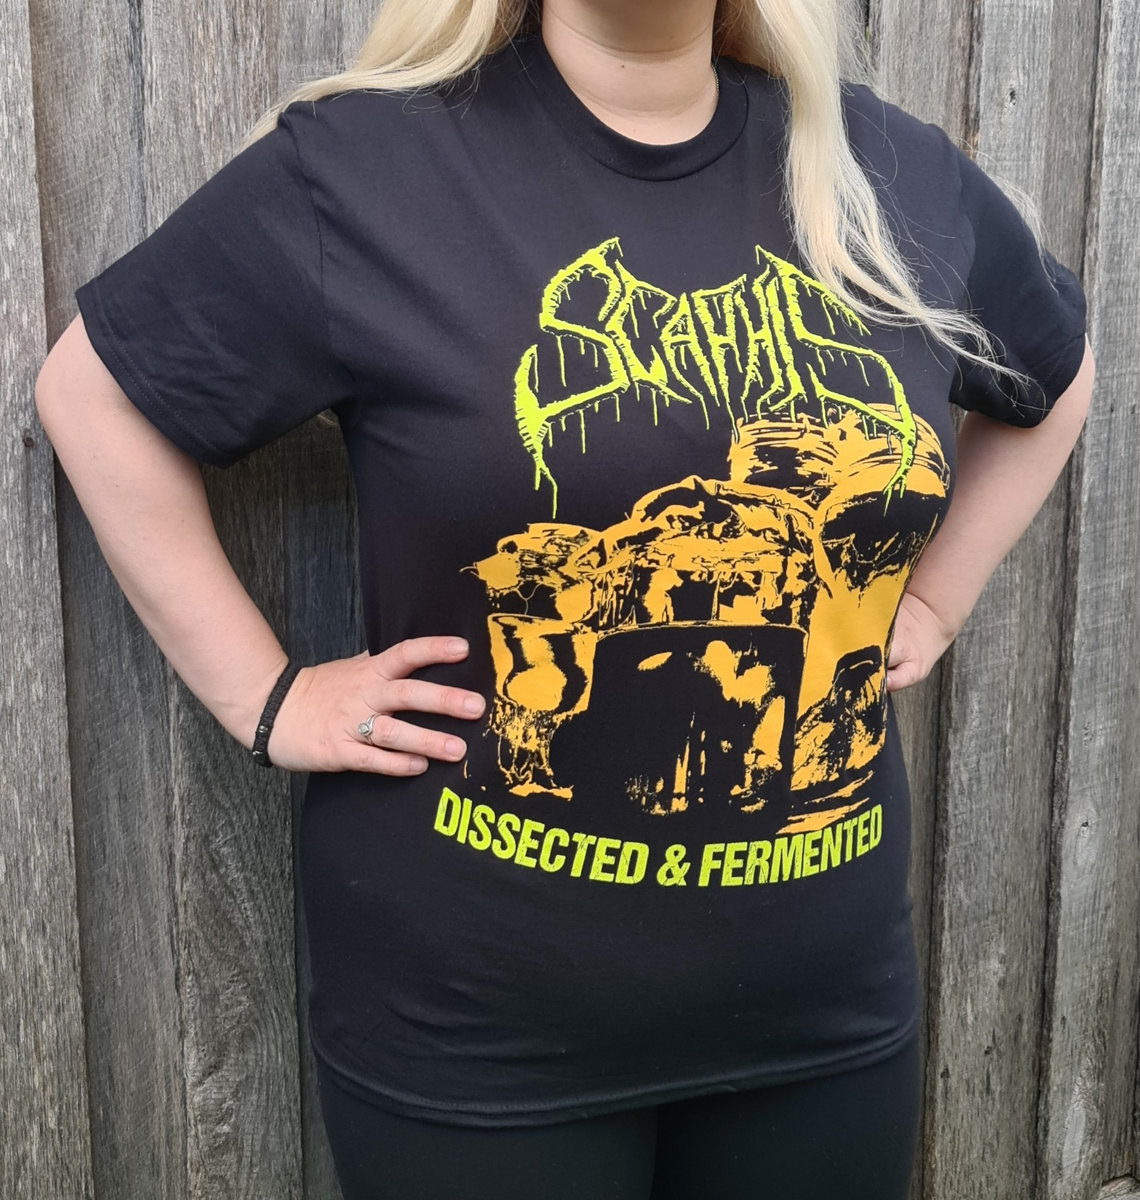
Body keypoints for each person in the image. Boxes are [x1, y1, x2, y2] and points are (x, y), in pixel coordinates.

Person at [35, 0, 1093, 1196]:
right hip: (476, 1036)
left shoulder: (884, 174)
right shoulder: (372, 174)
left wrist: (935, 601)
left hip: (822, 1018)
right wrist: (263, 695)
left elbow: (1053, 375)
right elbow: (96, 395)